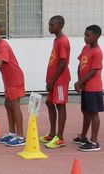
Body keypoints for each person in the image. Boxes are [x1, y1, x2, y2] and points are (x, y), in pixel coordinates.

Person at [39, 15, 71, 149]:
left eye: (52, 25)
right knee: (49, 103)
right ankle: (52, 134)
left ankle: (60, 138)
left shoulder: (63, 41)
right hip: (53, 79)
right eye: (49, 24)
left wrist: (52, 80)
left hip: (59, 80)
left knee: (60, 105)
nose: (49, 27)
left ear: (60, 26)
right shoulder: (56, 40)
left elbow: (63, 63)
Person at [73, 25, 103, 152]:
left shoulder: (97, 52)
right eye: (85, 35)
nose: (85, 38)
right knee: (85, 111)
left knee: (93, 112)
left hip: (93, 87)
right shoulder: (86, 48)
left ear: (95, 36)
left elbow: (93, 71)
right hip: (85, 86)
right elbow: (80, 65)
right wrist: (79, 82)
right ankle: (83, 136)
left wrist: (80, 82)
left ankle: (94, 141)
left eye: (88, 35)